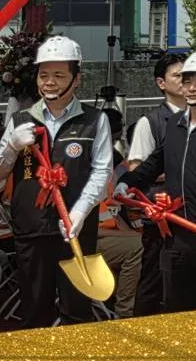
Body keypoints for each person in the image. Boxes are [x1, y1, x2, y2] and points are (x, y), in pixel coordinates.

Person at [115, 51, 196, 311]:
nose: (191, 88)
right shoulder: (175, 123)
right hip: (175, 231)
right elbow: (156, 161)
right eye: (187, 81)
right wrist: (128, 181)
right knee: (175, 304)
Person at [0, 36, 112, 327]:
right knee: (34, 310)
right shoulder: (20, 120)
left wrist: (80, 212)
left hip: (75, 230)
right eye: (44, 75)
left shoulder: (94, 120)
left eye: (59, 75)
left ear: (77, 79)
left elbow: (102, 171)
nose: (49, 82)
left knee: (77, 309)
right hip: (31, 228)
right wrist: (11, 147)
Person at [124, 52, 186, 316]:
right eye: (178, 76)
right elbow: (137, 171)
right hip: (162, 217)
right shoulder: (150, 122)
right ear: (161, 83)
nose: (186, 81)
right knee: (153, 280)